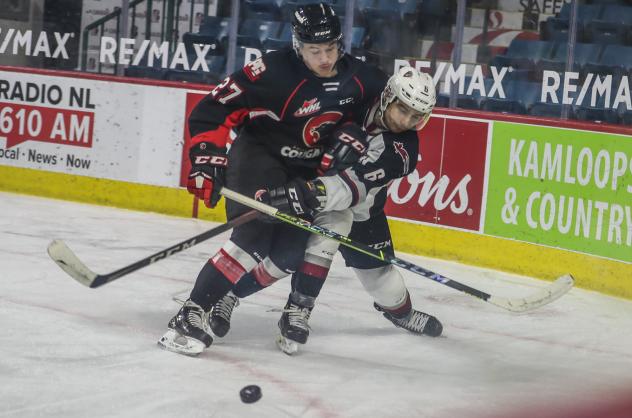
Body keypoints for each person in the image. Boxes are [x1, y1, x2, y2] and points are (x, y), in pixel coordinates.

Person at [158, 3, 388, 356]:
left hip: (304, 176)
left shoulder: (362, 78)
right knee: (256, 232)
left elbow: (389, 113)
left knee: (289, 253)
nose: (325, 59)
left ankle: (227, 296)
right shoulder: (270, 72)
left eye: (331, 49)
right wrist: (205, 159)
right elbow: (212, 109)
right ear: (298, 45)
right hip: (258, 159)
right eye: (315, 51)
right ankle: (190, 313)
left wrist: (354, 132)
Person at [209, 66, 442, 354]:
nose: (406, 121)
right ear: (387, 97)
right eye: (402, 110)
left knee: (386, 284)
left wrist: (311, 192)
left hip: (359, 208)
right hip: (305, 184)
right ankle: (287, 308)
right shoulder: (353, 97)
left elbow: (351, 189)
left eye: (416, 116)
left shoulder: (402, 151)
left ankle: (402, 314)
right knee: (290, 255)